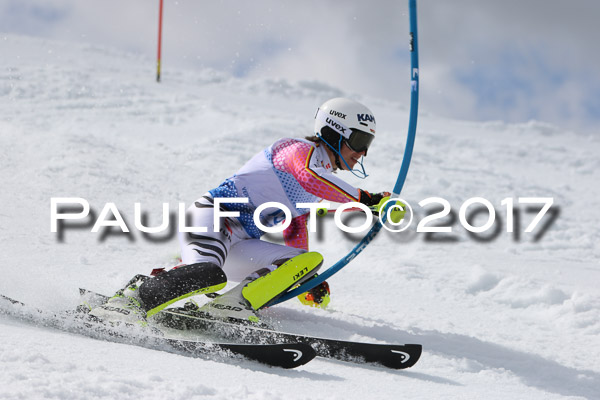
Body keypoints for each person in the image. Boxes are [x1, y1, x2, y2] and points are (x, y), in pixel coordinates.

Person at [89, 97, 394, 328]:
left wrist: (303, 280)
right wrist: (366, 200)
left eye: (367, 144)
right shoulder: (297, 150)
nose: (363, 152)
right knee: (208, 275)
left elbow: (295, 227)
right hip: (212, 219)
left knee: (307, 261)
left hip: (241, 242)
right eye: (359, 141)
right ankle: (130, 300)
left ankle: (230, 307)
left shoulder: (318, 184)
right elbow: (309, 176)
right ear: (335, 132)